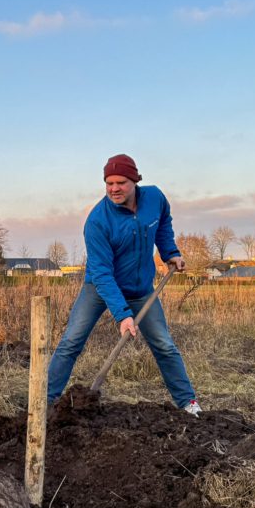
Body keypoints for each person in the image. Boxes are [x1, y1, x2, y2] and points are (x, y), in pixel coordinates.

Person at [47, 154, 202, 416]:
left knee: (164, 345)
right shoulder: (98, 222)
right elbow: (102, 273)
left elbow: (162, 224)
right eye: (109, 183)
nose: (114, 189)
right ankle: (46, 402)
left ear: (135, 181)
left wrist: (169, 252)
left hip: (141, 290)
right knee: (71, 341)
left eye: (120, 182)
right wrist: (123, 315)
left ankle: (188, 403)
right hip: (100, 288)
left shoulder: (155, 198)